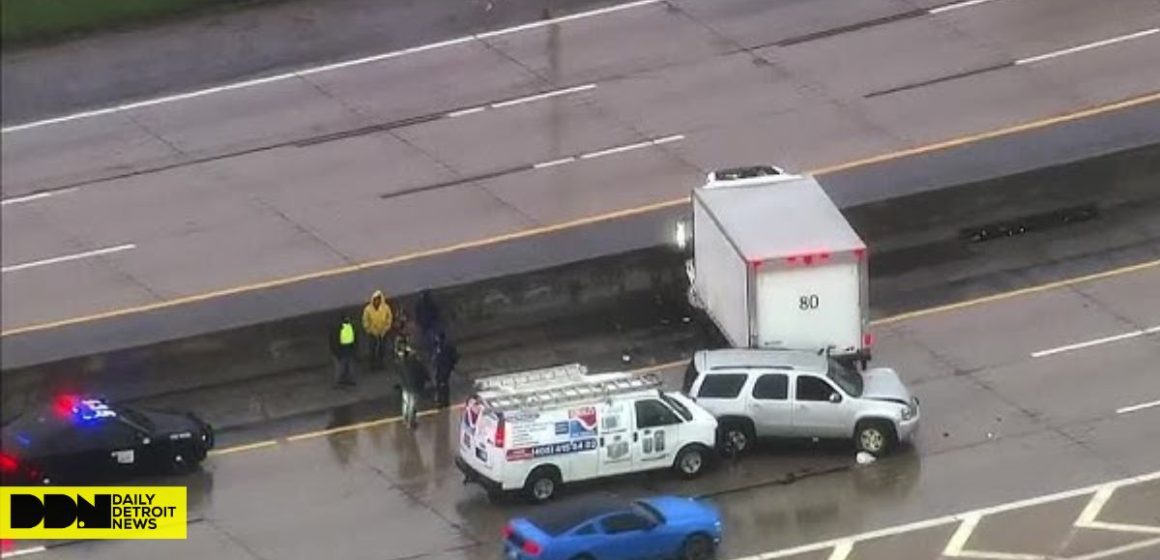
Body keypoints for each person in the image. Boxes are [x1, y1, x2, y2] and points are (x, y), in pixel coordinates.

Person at [362, 290, 394, 372]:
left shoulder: (386, 308)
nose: (377, 301)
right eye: (375, 299)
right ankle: (372, 366)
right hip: (372, 333)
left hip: (383, 332)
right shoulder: (368, 309)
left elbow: (389, 318)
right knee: (372, 350)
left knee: (382, 349)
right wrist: (370, 330)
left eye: (378, 299)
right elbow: (365, 321)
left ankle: (381, 364)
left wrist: (386, 329)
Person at [399, 345, 428, 429]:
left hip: (405, 387)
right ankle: (411, 422)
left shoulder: (403, 363)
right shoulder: (417, 364)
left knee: (406, 404)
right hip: (414, 388)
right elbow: (424, 373)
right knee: (412, 405)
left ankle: (405, 419)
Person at [431, 332, 459, 408]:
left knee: (443, 384)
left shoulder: (446, 347)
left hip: (444, 368)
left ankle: (443, 401)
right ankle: (442, 400)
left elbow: (454, 357)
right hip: (440, 368)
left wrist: (451, 365)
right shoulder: (437, 347)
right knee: (441, 384)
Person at [329, 314, 358, 387]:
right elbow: (334, 341)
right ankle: (338, 382)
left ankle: (346, 380)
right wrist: (336, 352)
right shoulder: (339, 328)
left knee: (347, 366)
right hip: (341, 350)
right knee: (340, 368)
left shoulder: (349, 327)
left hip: (347, 349)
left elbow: (355, 339)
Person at [414, 290, 442, 354]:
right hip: (430, 322)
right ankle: (425, 297)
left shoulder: (430, 342)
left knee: (430, 335)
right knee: (431, 334)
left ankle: (423, 298)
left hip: (428, 323)